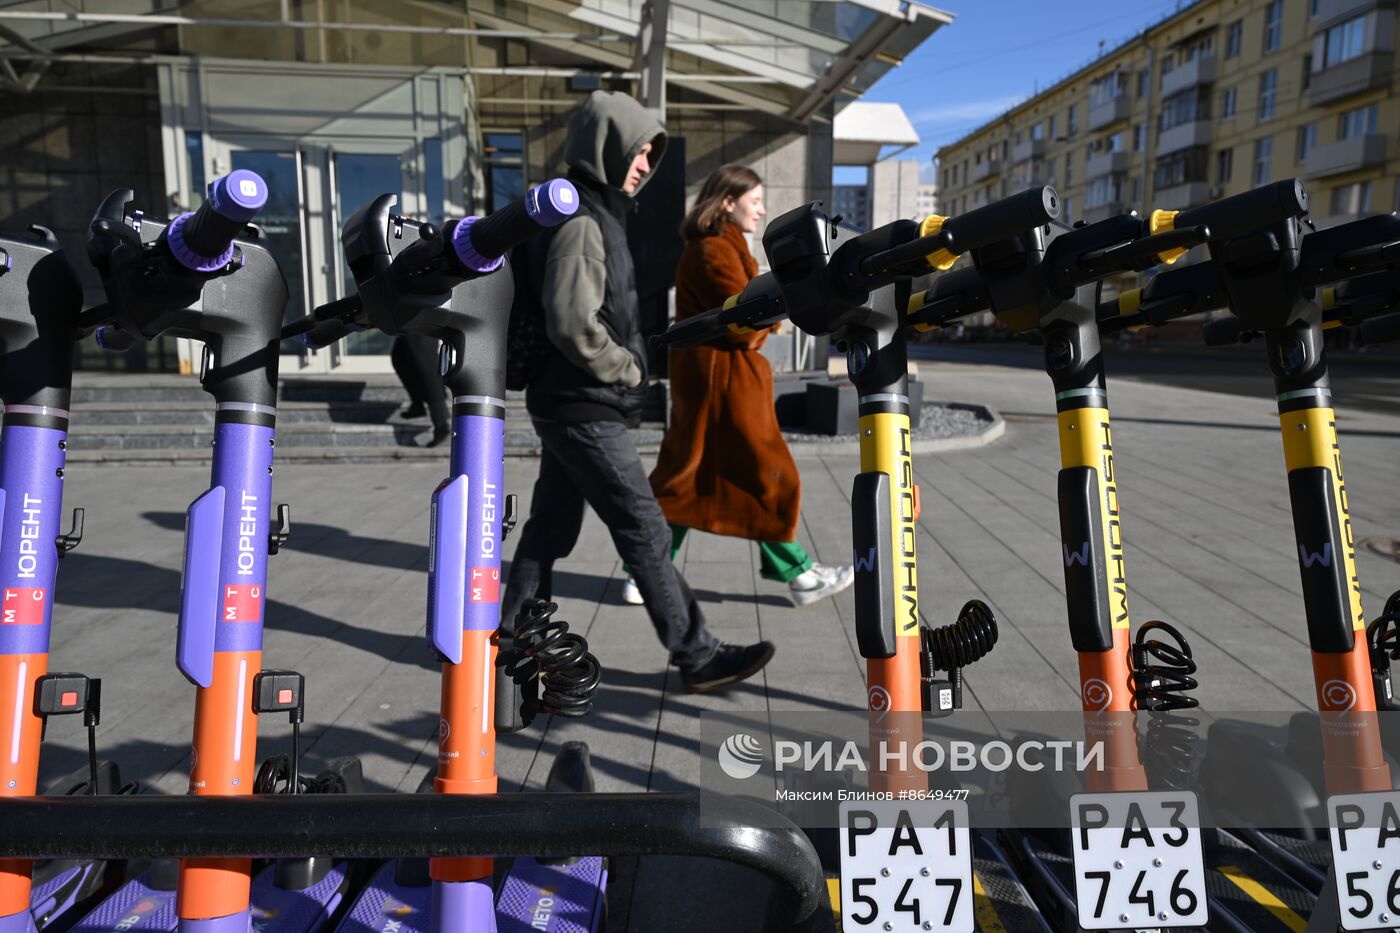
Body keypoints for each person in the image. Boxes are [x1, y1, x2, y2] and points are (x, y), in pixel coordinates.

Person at [500, 91, 774, 694]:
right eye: (638, 150)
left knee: (549, 528)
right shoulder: (580, 221)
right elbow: (571, 321)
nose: (646, 165)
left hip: (569, 400)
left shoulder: (592, 213)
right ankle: (698, 654)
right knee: (645, 530)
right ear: (606, 146)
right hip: (584, 404)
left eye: (651, 153)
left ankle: (512, 639)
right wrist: (627, 369)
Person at [623, 165, 854, 608]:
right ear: (727, 202)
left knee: (689, 479)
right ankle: (799, 573)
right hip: (721, 382)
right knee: (764, 475)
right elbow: (744, 324)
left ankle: (642, 573)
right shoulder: (713, 250)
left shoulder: (719, 247)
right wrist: (779, 311)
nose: (763, 209)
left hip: (717, 380)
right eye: (755, 200)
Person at [390, 333, 450, 447]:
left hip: (421, 319)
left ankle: (441, 423)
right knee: (400, 356)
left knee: (426, 363)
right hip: (408, 319)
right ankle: (417, 405)